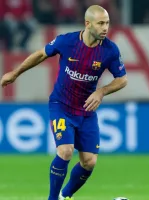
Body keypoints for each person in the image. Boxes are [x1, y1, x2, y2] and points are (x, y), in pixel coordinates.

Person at [0, 5, 127, 200]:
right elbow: (41, 54)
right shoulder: (67, 41)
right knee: (66, 151)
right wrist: (15, 73)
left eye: (107, 23)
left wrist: (101, 91)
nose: (105, 28)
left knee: (89, 162)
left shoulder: (110, 50)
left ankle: (65, 195)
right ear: (88, 24)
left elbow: (122, 79)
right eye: (101, 23)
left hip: (86, 111)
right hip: (61, 106)